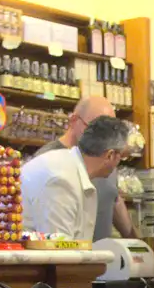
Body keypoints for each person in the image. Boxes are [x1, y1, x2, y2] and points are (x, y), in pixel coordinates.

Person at [31, 95, 135, 240]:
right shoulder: (56, 169)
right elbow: (57, 244)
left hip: (93, 257)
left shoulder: (103, 160)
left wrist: (135, 242)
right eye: (97, 127)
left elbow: (113, 197)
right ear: (74, 121)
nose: (105, 137)